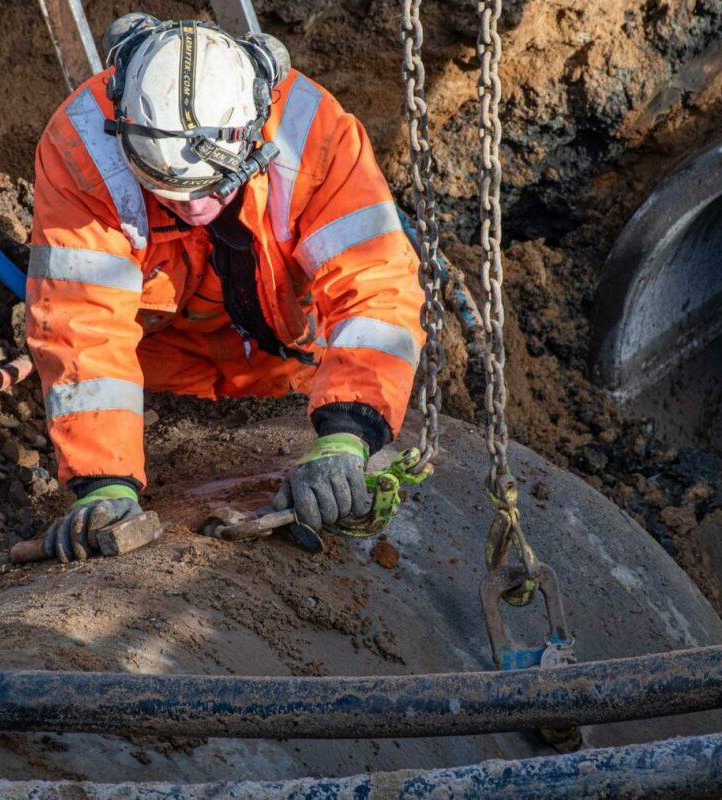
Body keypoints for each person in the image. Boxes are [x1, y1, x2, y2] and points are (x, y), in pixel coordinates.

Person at [27, 15, 424, 561]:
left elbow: (375, 288)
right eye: (168, 189)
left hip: (290, 379)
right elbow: (81, 322)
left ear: (251, 132)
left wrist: (346, 432)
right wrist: (104, 482)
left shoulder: (313, 135)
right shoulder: (83, 150)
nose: (191, 207)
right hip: (159, 393)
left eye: (208, 186)